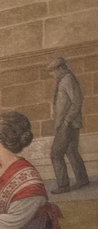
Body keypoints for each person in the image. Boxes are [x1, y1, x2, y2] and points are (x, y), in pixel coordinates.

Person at [48, 57, 88, 194]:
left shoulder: (67, 79)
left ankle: (63, 185)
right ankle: (82, 180)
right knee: (71, 151)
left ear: (60, 68)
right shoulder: (64, 79)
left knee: (55, 154)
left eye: (52, 71)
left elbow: (77, 100)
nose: (51, 74)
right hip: (69, 123)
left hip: (68, 124)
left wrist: (67, 120)